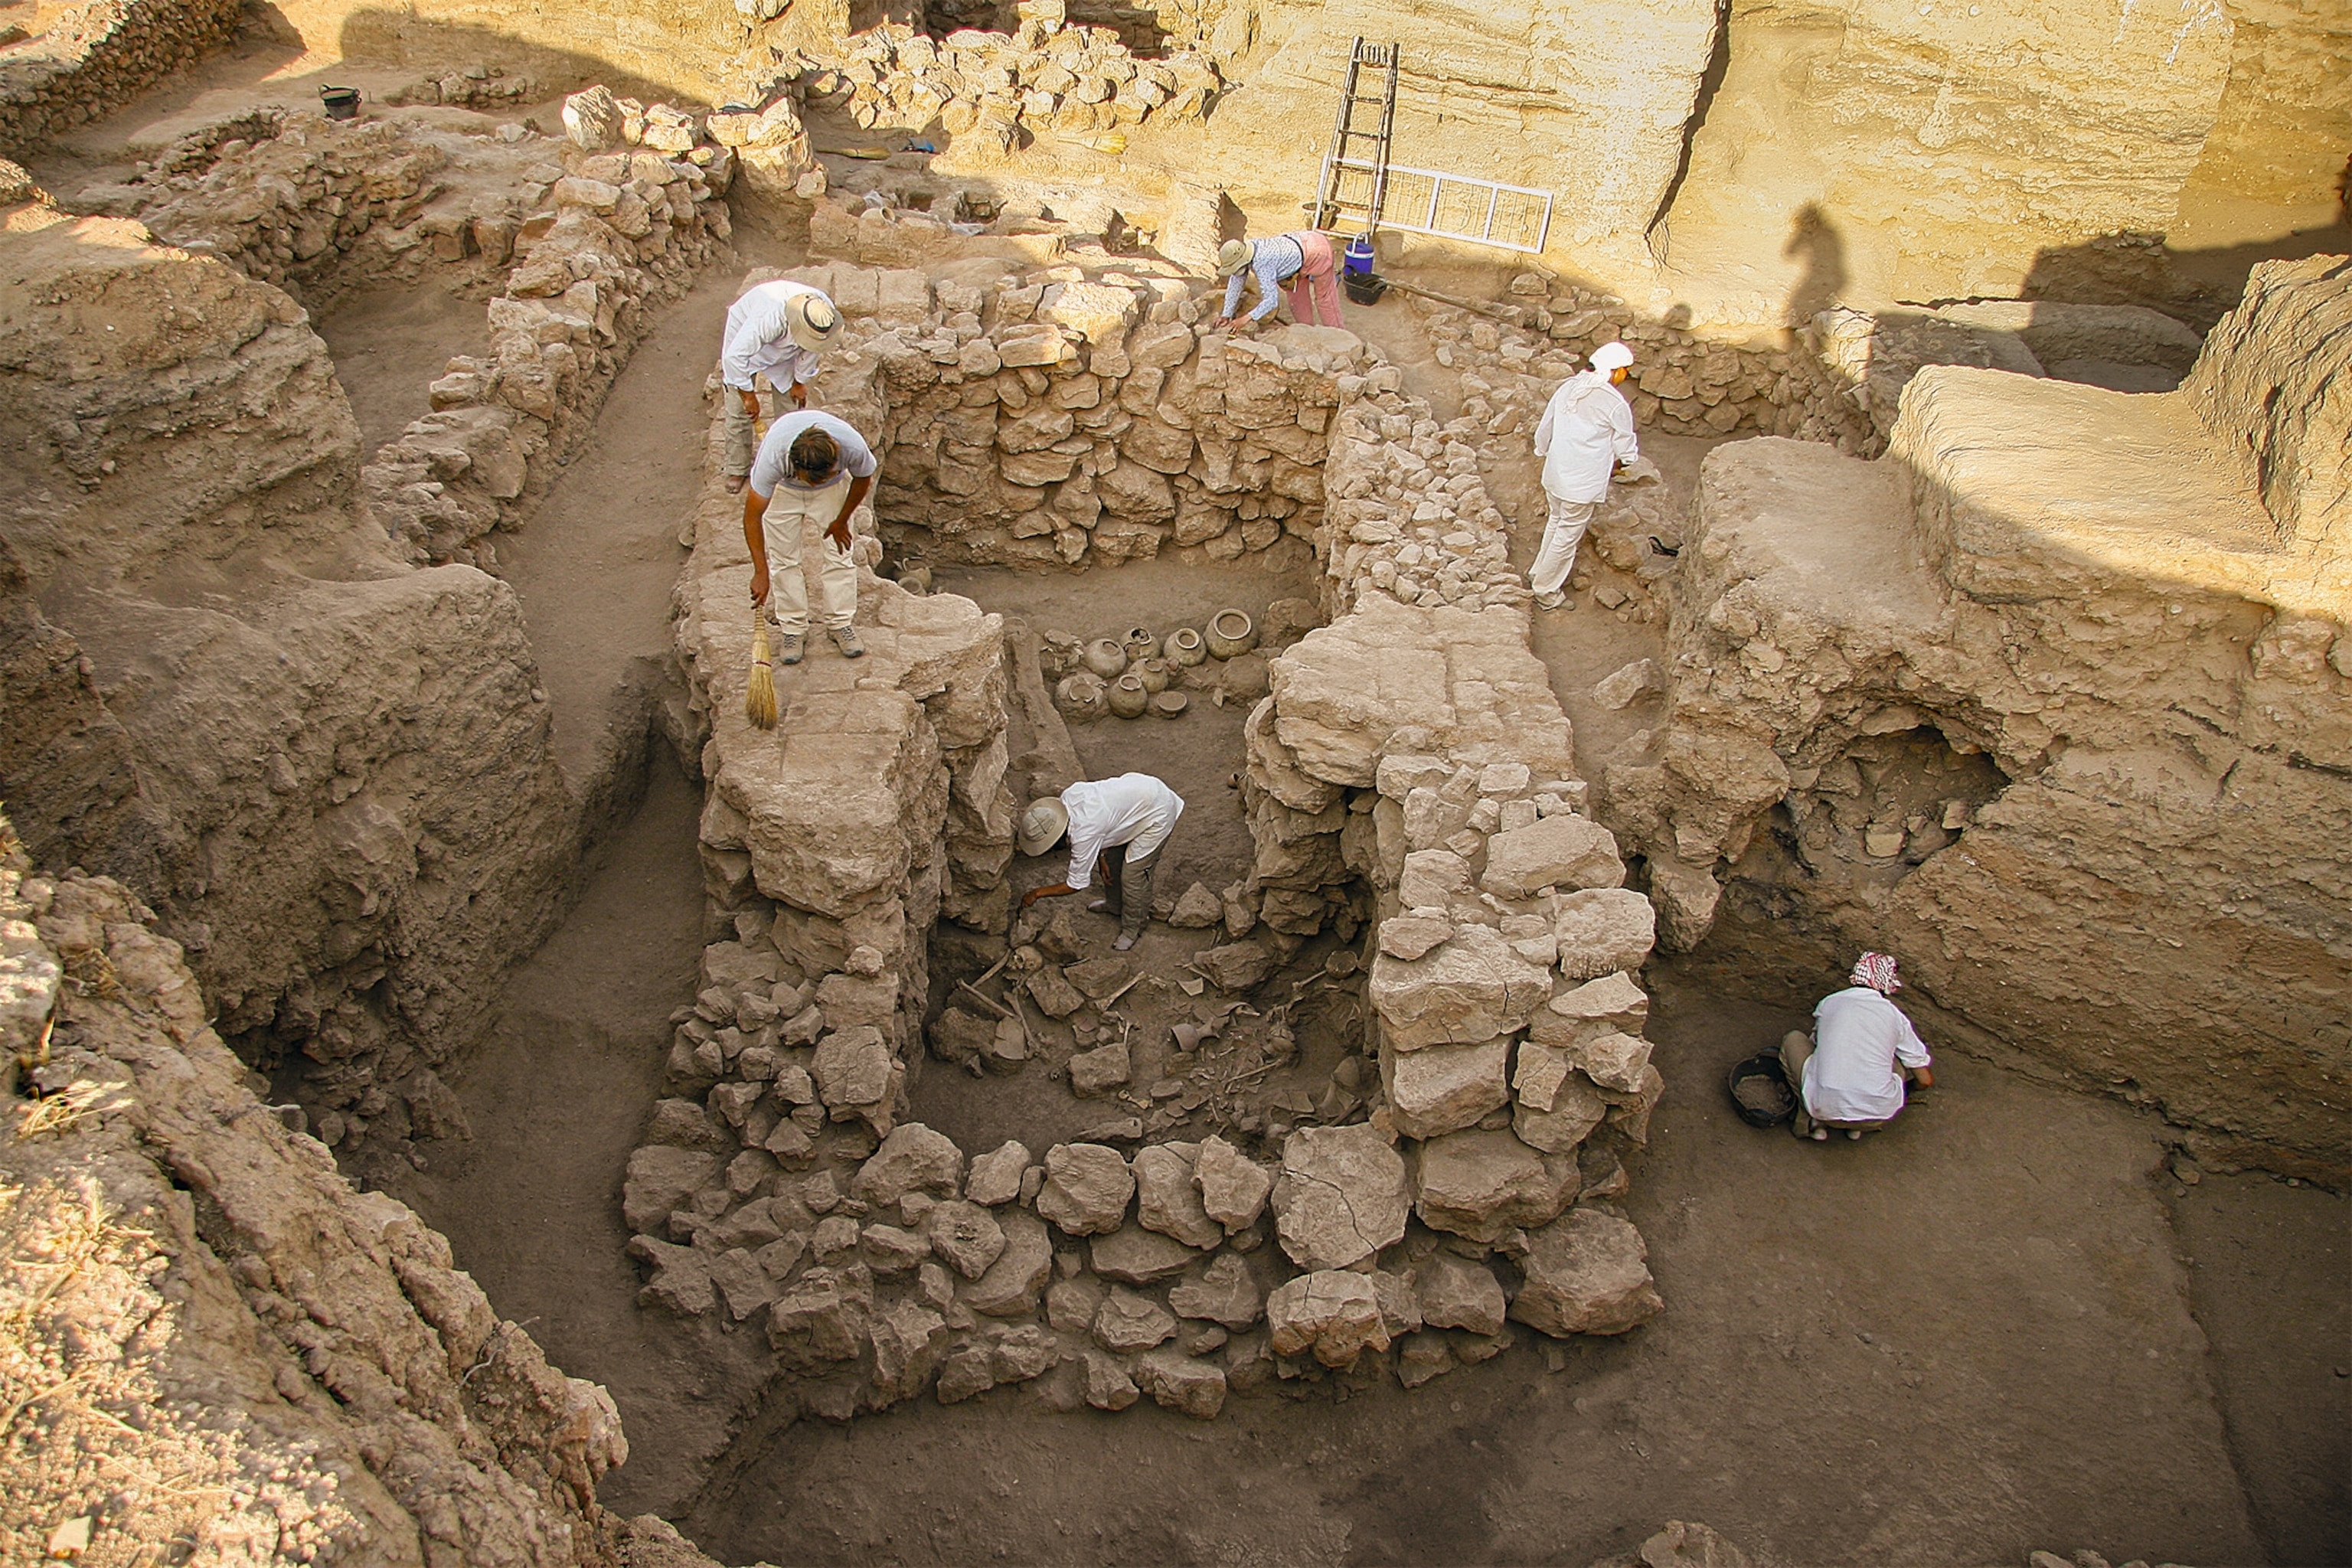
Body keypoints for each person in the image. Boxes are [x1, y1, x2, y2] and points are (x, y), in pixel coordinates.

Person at [744, 411, 874, 664]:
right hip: (785, 492)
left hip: (832, 491)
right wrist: (760, 571)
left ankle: (840, 624)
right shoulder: (773, 460)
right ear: (795, 468)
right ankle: (793, 629)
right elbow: (752, 517)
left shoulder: (852, 446)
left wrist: (841, 520)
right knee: (784, 560)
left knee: (840, 554)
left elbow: (863, 478)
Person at [1529, 341, 1641, 611]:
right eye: (1624, 370)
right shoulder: (1613, 403)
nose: (1625, 376)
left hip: (1556, 474)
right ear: (1614, 370)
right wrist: (1627, 462)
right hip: (1581, 483)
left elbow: (1546, 426)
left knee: (1556, 522)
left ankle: (1538, 573)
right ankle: (1546, 592)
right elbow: (1625, 442)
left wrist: (1541, 449)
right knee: (1567, 535)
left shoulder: (1568, 387)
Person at [1016, 773, 1186, 951]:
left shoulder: (1083, 834)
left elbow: (1075, 884)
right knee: (1111, 863)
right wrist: (1102, 857)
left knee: (1133, 878)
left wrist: (1036, 893)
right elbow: (1104, 823)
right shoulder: (1069, 796)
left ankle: (1133, 928)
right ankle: (1114, 905)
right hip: (1139, 794)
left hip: (1157, 811)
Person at [1780, 952, 1935, 1142]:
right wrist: (1904, 1091)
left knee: (1795, 1040)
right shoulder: (1895, 1017)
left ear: (1856, 976)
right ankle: (1857, 1128)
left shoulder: (1830, 1002)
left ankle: (1810, 1121)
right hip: (1877, 1117)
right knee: (1894, 1060)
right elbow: (1925, 1080)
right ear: (1887, 984)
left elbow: (1817, 1043)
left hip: (1825, 1109)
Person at [720, 279, 843, 494]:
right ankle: (737, 468)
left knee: (790, 410)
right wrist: (748, 396)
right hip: (746, 348)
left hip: (788, 352)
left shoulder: (823, 316)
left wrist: (799, 382)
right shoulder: (768, 319)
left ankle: (789, 462)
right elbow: (735, 357)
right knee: (739, 411)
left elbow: (813, 350)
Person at [1213, 232, 1344, 332]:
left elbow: (1271, 300)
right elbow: (1236, 282)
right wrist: (1226, 314)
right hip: (1295, 261)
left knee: (1325, 297)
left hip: (1316, 250)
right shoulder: (1244, 253)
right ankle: (1307, 333)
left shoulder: (1263, 264)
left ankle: (1338, 336)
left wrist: (1245, 319)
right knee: (1297, 300)